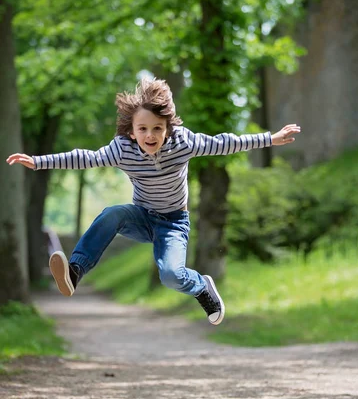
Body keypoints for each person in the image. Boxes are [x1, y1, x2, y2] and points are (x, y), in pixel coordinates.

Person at [7, 77, 301, 326]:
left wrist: (270, 139)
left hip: (174, 223)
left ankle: (202, 287)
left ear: (168, 128)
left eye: (157, 129)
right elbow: (87, 157)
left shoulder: (183, 143)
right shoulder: (122, 149)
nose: (150, 136)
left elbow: (225, 142)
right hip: (141, 216)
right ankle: (75, 271)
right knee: (112, 214)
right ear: (131, 131)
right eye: (143, 129)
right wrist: (38, 161)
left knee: (171, 275)